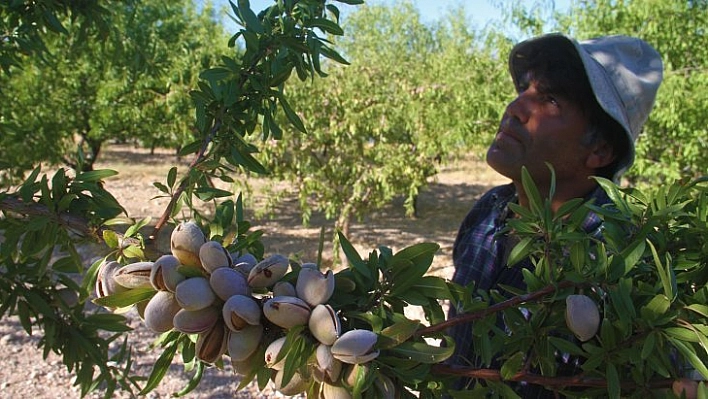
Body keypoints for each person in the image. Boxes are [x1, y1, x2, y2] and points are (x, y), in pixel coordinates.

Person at [447, 32, 663, 396]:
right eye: (525, 90)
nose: (515, 107)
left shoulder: (620, 262)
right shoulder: (488, 212)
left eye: (549, 99)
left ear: (600, 149)